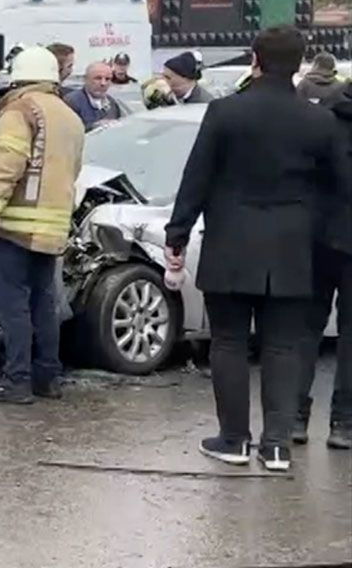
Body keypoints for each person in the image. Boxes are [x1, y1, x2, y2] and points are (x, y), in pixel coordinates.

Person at [164, 26, 350, 473]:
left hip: (230, 243)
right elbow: (339, 189)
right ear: (300, 62)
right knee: (284, 345)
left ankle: (233, 439)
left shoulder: (225, 113)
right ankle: (278, 446)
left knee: (228, 341)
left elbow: (197, 177)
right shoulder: (320, 120)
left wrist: (178, 234)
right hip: (293, 248)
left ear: (255, 59)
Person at [0, 46, 84, 404]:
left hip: (17, 226)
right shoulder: (69, 115)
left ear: (18, 77)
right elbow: (74, 171)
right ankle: (47, 377)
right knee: (44, 301)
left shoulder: (20, 110)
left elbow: (7, 167)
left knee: (12, 304)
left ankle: (15, 379)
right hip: (53, 227)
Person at [295, 71, 352, 450]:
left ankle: (295, 417)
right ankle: (343, 424)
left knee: (304, 330)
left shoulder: (322, 117)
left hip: (317, 237)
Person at [143, 51, 212, 108]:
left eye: (168, 77)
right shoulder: (171, 97)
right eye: (163, 76)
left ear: (186, 79)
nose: (163, 80)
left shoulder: (203, 104)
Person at [65, 62, 122, 130]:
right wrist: (94, 127)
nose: (103, 83)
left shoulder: (112, 103)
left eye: (107, 79)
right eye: (98, 78)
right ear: (85, 79)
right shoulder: (71, 102)